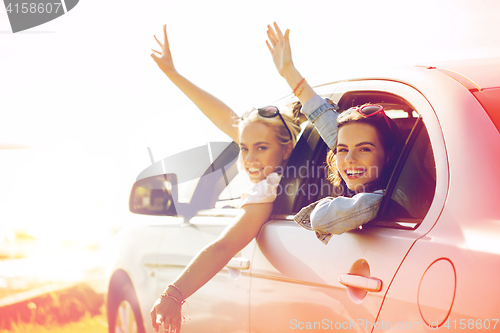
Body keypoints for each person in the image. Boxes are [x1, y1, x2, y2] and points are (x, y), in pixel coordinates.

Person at [149, 24, 301, 333]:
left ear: (287, 150)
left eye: (261, 148)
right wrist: (173, 74)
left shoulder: (270, 190)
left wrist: (174, 294)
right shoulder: (285, 161)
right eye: (244, 148)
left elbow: (223, 247)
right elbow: (224, 117)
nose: (250, 158)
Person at [266, 22, 403, 245]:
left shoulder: (379, 200)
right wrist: (289, 73)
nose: (349, 159)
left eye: (364, 148)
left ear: (388, 154)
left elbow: (321, 218)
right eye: (341, 150)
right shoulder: (370, 176)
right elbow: (325, 120)